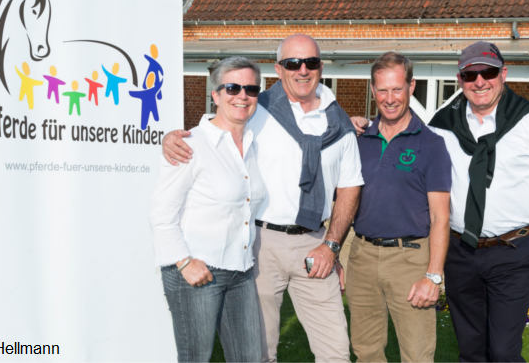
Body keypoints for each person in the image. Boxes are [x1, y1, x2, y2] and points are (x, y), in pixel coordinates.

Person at [352, 42, 529, 362]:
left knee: (503, 352)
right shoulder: (442, 125)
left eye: (487, 72)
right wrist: (362, 125)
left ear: (503, 74)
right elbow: (403, 147)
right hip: (461, 254)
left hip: (512, 252)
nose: (479, 81)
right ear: (460, 80)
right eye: (470, 74)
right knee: (471, 351)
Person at [162, 34, 363, 363]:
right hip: (260, 243)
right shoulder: (258, 109)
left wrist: (333, 244)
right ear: (278, 69)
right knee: (257, 352)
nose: (302, 70)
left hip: (315, 244)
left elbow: (350, 186)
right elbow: (215, 135)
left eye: (310, 62)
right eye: (292, 63)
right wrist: (171, 138)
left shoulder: (339, 121)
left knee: (336, 353)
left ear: (321, 67)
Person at [150, 56, 266, 362]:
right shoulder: (192, 144)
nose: (243, 95)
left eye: (251, 89)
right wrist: (184, 262)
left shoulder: (254, 144)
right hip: (198, 272)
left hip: (240, 271)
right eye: (232, 87)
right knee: (196, 358)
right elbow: (162, 213)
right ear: (215, 95)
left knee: (250, 358)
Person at [347, 52, 451, 362]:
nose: (389, 98)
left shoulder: (431, 144)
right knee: (365, 352)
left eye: (397, 89)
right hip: (362, 257)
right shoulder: (358, 140)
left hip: (410, 261)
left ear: (411, 87)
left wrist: (433, 276)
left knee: (417, 354)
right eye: (382, 90)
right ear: (372, 90)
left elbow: (440, 217)